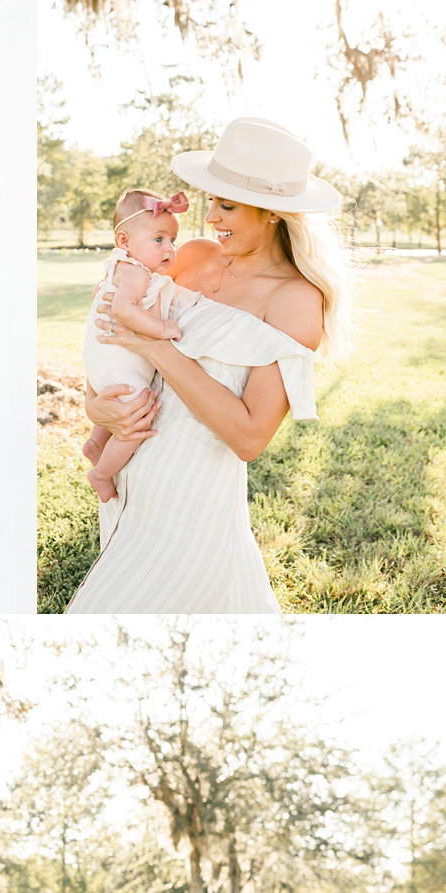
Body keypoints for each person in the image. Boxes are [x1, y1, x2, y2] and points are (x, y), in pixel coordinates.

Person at [65, 116, 348, 614]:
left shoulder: (296, 300)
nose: (211, 217)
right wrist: (98, 408)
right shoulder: (190, 257)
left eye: (228, 205)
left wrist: (160, 350)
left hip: (191, 501)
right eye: (213, 201)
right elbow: (111, 332)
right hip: (129, 478)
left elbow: (249, 438)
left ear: (274, 213)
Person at [82, 189, 191, 502]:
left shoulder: (120, 267)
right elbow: (122, 310)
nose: (168, 248)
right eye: (158, 239)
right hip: (118, 360)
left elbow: (99, 296)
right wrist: (161, 328)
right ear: (124, 241)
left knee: (119, 403)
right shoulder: (136, 272)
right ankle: (101, 473)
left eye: (172, 240)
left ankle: (95, 442)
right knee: (137, 417)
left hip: (102, 359)